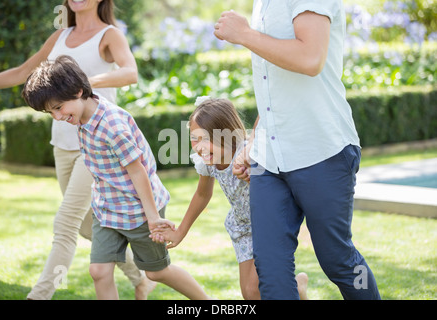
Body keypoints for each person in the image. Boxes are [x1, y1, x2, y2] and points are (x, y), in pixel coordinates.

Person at [0, 0, 155, 300]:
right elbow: (25, 71)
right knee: (89, 226)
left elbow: (130, 73)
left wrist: (82, 84)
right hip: (62, 144)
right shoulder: (59, 36)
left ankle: (38, 296)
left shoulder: (109, 35)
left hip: (96, 143)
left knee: (65, 223)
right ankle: (140, 277)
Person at [213, 1, 381, 300]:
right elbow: (274, 86)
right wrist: (255, 140)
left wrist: (245, 34)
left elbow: (310, 59)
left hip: (322, 150)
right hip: (269, 160)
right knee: (271, 270)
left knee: (339, 261)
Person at [21, 55, 211, 300]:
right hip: (107, 209)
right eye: (50, 113)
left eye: (58, 108)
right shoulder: (81, 118)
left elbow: (137, 171)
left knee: (157, 273)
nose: (57, 117)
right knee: (99, 271)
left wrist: (153, 218)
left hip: (139, 210)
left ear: (79, 91)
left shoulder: (112, 126)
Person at [151, 96, 308, 300]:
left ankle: (295, 290)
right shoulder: (207, 161)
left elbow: (277, 185)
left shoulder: (250, 155)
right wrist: (180, 232)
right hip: (242, 227)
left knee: (257, 288)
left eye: (204, 139)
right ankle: (298, 290)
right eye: (194, 138)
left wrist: (253, 177)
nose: (198, 147)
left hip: (267, 223)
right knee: (250, 293)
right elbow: (202, 194)